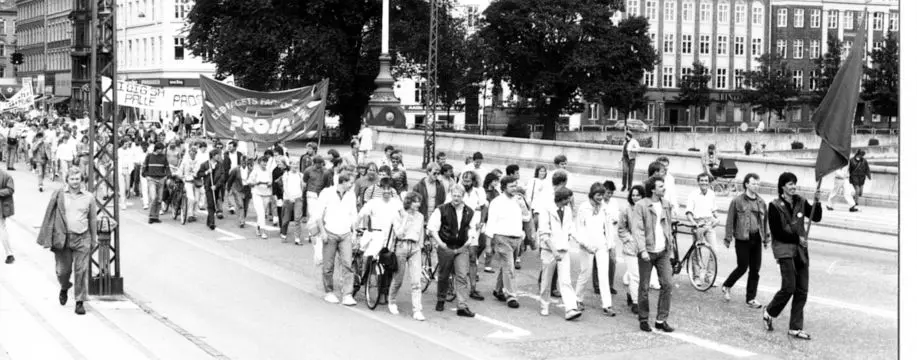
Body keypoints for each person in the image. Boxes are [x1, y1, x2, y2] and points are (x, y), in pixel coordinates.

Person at [762, 172, 822, 340]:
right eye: (789, 184)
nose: (793, 186)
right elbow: (777, 232)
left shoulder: (801, 201)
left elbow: (816, 217)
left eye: (794, 183)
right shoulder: (774, 206)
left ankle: (795, 328)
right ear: (782, 186)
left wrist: (817, 202)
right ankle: (769, 312)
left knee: (802, 289)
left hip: (801, 251)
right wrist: (798, 238)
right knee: (789, 287)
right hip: (784, 250)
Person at [37, 168, 98, 315]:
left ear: (81, 180)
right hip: (63, 238)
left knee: (81, 270)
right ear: (67, 180)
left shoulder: (89, 197)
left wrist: (93, 239)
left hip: (82, 237)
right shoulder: (59, 195)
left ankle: (79, 301)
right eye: (72, 179)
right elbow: (49, 215)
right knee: (62, 271)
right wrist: (48, 236)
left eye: (77, 179)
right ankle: (64, 287)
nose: (75, 182)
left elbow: (93, 219)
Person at [427, 184, 479, 318]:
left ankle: (462, 306)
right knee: (444, 275)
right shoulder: (442, 209)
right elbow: (433, 228)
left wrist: (470, 239)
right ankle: (441, 299)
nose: (456, 198)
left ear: (463, 197)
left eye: (459, 196)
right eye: (454, 195)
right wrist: (441, 244)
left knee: (462, 275)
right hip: (446, 246)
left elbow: (473, 227)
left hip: (461, 247)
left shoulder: (469, 211)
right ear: (451, 195)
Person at [632, 175, 676, 333]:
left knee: (668, 284)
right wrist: (642, 250)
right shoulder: (641, 205)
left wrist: (669, 248)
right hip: (647, 252)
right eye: (660, 186)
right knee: (644, 286)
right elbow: (637, 230)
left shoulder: (666, 205)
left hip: (662, 251)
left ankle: (661, 319)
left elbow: (668, 227)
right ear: (652, 189)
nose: (664, 188)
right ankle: (643, 318)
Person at [722, 173, 769, 308]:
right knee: (743, 266)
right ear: (746, 184)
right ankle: (727, 285)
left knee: (755, 269)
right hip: (742, 238)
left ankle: (751, 298)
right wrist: (728, 237)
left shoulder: (761, 202)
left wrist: (766, 238)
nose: (756, 186)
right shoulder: (737, 201)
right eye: (753, 183)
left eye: (758, 183)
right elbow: (730, 220)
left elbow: (765, 222)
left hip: (756, 238)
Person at [536, 187, 581, 320]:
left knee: (565, 280)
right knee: (546, 280)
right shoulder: (546, 209)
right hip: (549, 250)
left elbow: (570, 228)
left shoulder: (567, 210)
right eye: (569, 198)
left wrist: (582, 242)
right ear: (562, 198)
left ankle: (571, 308)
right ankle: (544, 305)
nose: (570, 201)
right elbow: (544, 233)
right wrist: (554, 251)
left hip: (563, 249)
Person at [574, 183, 616, 316]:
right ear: (592, 194)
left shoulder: (604, 207)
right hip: (586, 246)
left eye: (602, 195)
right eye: (598, 195)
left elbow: (608, 227)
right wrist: (585, 244)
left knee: (603, 275)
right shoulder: (584, 207)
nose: (601, 198)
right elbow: (578, 228)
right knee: (585, 272)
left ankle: (607, 305)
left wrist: (610, 244)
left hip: (601, 244)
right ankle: (578, 299)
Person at [317, 173, 359, 306]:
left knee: (347, 264)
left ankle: (347, 294)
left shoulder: (351, 195)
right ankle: (329, 292)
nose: (352, 185)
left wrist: (354, 233)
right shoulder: (327, 193)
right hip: (330, 232)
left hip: (345, 233)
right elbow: (318, 214)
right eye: (350, 183)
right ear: (343, 182)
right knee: (328, 265)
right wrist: (322, 232)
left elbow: (353, 215)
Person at [485, 176, 526, 309]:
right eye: (511, 186)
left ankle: (498, 289)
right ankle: (511, 296)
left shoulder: (518, 200)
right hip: (502, 238)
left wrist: (524, 203)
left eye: (516, 186)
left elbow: (526, 217)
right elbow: (490, 223)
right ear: (504, 187)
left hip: (516, 238)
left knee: (506, 267)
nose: (515, 189)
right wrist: (488, 244)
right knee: (509, 267)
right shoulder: (497, 202)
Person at [685, 172, 720, 285]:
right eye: (702, 181)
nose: (704, 183)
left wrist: (717, 217)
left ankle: (709, 277)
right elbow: (689, 213)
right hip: (698, 223)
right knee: (697, 251)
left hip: (709, 223)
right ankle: (696, 276)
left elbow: (713, 210)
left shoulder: (711, 194)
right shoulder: (693, 195)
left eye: (706, 181)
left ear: (709, 182)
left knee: (714, 250)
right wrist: (694, 223)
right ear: (698, 182)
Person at [619, 185, 645, 314]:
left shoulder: (647, 209)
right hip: (630, 247)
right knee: (635, 275)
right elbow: (621, 228)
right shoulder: (626, 210)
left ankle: (631, 293)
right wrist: (629, 239)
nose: (635, 197)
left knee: (639, 275)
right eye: (633, 195)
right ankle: (636, 302)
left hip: (644, 247)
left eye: (638, 195)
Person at [592, 180, 619, 295]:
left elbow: (616, 217)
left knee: (612, 261)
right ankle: (597, 285)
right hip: (599, 235)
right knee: (597, 261)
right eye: (608, 192)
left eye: (611, 193)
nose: (609, 195)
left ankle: (609, 284)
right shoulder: (598, 202)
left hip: (611, 234)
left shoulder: (614, 202)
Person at [142, 142, 171, 224]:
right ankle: (151, 216)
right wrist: (146, 175)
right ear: (158, 149)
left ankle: (156, 216)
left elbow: (167, 168)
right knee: (153, 197)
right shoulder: (149, 156)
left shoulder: (163, 157)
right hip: (151, 179)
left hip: (161, 179)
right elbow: (144, 167)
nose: (162, 151)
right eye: (161, 149)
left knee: (159, 199)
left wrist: (167, 176)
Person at [197, 149, 225, 230]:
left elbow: (222, 177)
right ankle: (212, 223)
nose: (218, 156)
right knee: (211, 204)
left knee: (214, 202)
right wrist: (206, 172)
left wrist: (216, 185)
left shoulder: (220, 165)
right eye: (217, 155)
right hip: (208, 187)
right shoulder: (205, 164)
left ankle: (208, 221)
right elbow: (199, 174)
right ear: (212, 156)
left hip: (216, 187)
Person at [247, 156, 274, 239]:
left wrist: (269, 184)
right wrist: (256, 183)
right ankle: (263, 231)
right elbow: (249, 182)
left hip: (266, 194)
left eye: (266, 162)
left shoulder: (269, 171)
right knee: (261, 213)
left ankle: (258, 227)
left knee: (262, 213)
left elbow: (271, 182)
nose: (264, 163)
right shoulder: (255, 171)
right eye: (263, 162)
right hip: (257, 194)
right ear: (259, 163)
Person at [281, 161, 305, 245]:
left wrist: (301, 195)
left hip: (298, 198)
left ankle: (297, 238)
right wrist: (289, 197)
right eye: (294, 164)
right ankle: (283, 234)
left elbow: (302, 186)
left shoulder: (300, 175)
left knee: (297, 218)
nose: (295, 166)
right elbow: (285, 187)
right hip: (288, 199)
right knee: (286, 219)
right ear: (290, 165)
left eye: (297, 164)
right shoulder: (286, 174)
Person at [227, 158, 253, 228]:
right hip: (237, 189)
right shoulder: (236, 170)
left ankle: (243, 217)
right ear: (240, 162)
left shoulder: (251, 170)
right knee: (240, 205)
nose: (244, 163)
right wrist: (228, 188)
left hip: (247, 190)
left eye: (245, 161)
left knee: (246, 206)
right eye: (242, 161)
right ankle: (242, 221)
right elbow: (230, 180)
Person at [0, 167, 13, 264]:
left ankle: (9, 253)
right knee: (2, 229)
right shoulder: (6, 175)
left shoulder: (6, 176)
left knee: (2, 229)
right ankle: (9, 253)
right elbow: (10, 189)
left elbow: (10, 189)